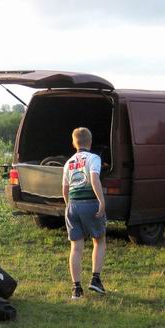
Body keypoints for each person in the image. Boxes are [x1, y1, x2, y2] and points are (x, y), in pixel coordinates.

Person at [62, 127, 107, 299]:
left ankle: (76, 289)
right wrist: (101, 201)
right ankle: (95, 280)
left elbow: (65, 189)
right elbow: (94, 179)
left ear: (74, 143)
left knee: (76, 248)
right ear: (90, 141)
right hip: (90, 203)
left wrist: (68, 206)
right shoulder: (94, 158)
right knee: (99, 240)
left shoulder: (69, 162)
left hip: (73, 205)